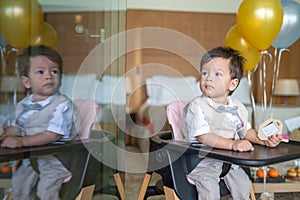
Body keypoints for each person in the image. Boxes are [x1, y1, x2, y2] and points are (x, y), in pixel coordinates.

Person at [183, 46, 282, 200]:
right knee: (210, 191)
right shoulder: (197, 106)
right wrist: (233, 144)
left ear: (233, 84)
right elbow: (204, 136)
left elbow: (245, 132)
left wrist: (264, 141)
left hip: (228, 162)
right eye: (205, 73)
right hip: (201, 162)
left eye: (217, 74)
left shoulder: (238, 107)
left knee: (243, 185)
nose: (208, 78)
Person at [0, 45, 79, 200]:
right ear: (27, 82)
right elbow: (20, 127)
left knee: (46, 191)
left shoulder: (62, 105)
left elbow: (52, 135)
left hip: (57, 160)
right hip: (32, 158)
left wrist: (22, 141)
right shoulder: (24, 104)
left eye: (54, 71)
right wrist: (8, 132)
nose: (49, 76)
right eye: (40, 72)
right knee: (19, 183)